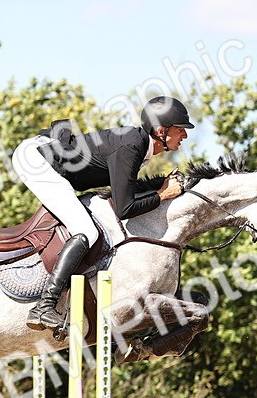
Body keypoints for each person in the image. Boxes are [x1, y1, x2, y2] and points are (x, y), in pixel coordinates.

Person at [12, 96, 193, 331]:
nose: (185, 136)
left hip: (44, 154)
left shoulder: (139, 144)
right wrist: (162, 194)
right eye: (180, 130)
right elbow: (124, 208)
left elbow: (124, 190)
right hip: (36, 159)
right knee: (86, 230)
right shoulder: (132, 145)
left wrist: (160, 186)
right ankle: (45, 305)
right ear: (160, 131)